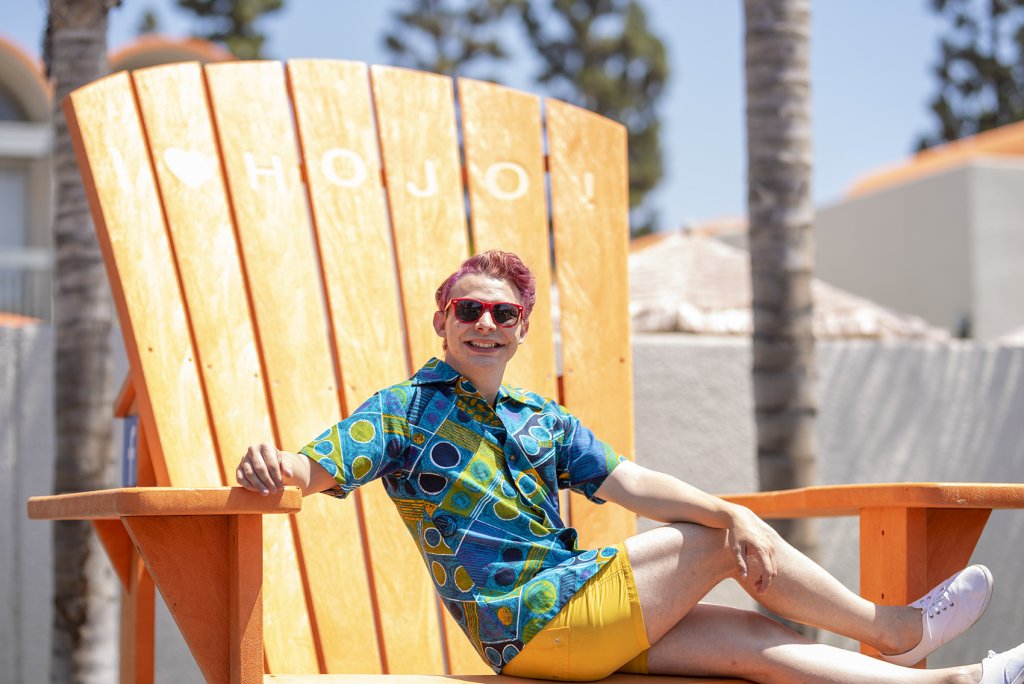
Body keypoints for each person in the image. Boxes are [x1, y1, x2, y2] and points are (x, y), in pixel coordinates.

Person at [236, 250, 1024, 684]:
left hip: (578, 618)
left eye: (501, 312)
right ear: (442, 322)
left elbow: (634, 483)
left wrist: (733, 510)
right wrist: (281, 467)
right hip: (529, 622)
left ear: (520, 330)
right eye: (467, 309)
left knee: (752, 640)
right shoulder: (404, 411)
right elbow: (321, 465)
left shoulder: (539, 419)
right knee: (716, 543)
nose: (484, 322)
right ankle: (894, 629)